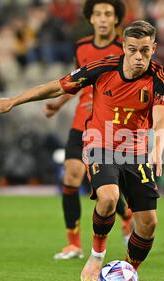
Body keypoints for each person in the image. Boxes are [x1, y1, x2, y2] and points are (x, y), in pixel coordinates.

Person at [0, 20, 164, 281]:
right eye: (132, 49)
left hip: (135, 152)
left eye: (145, 51)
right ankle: (97, 254)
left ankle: (128, 274)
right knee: (109, 197)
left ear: (153, 48)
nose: (138, 57)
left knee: (148, 224)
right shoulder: (103, 68)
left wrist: (157, 152)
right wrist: (15, 100)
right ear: (123, 46)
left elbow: (160, 123)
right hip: (100, 144)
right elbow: (57, 87)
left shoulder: (160, 79)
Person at [43, 0, 134, 260]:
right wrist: (58, 105)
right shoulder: (82, 47)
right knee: (71, 175)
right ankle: (73, 244)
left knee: (106, 187)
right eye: (98, 14)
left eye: (108, 14)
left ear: (116, 19)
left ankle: (126, 215)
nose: (103, 19)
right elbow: (76, 82)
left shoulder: (125, 49)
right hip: (82, 120)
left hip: (109, 124)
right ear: (90, 19)